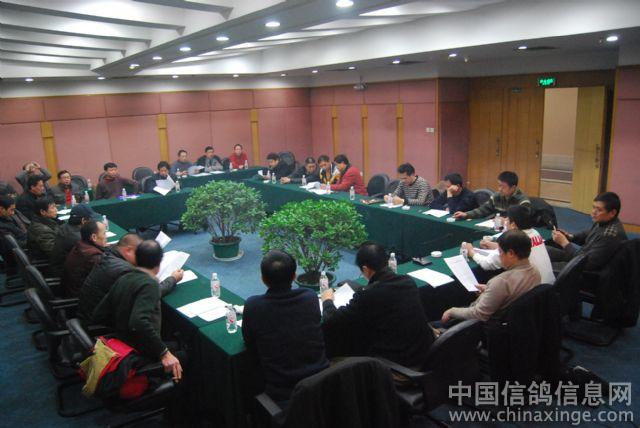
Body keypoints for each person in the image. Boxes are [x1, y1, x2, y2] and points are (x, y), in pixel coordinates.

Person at [321, 242, 435, 369]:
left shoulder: (369, 296)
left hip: (397, 365)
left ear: (365, 269)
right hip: (425, 354)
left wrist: (327, 300)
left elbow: (332, 320)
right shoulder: (408, 282)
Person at [243, 250, 329, 402]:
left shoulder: (253, 306)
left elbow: (249, 340)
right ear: (294, 276)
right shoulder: (309, 297)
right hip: (322, 382)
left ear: (262, 279)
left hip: (283, 393)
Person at [93, 240, 183, 381]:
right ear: (159, 263)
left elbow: (99, 313)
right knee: (184, 350)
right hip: (136, 353)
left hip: (118, 343)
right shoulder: (150, 284)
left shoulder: (123, 278)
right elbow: (138, 322)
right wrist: (164, 352)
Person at [78, 233, 182, 323]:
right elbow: (151, 291)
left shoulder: (109, 254)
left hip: (88, 313)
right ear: (128, 250)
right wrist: (172, 279)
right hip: (101, 323)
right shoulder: (124, 270)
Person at [442, 230, 541, 323]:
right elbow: (514, 292)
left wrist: (452, 311)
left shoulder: (501, 282)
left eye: (500, 252)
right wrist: (489, 289)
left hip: (491, 326)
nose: (499, 256)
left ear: (510, 253)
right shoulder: (535, 271)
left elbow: (478, 314)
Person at [464, 205, 555, 284]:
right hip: (547, 285)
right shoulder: (534, 232)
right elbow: (518, 247)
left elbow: (487, 264)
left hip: (531, 288)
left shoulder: (513, 240)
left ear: (513, 225)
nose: (505, 221)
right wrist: (494, 245)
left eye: (507, 219)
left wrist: (472, 252)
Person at [547, 192, 627, 272]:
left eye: (599, 210)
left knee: (545, 268)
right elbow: (587, 235)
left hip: (587, 271)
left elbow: (587, 264)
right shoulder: (603, 221)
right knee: (546, 252)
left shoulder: (609, 235)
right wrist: (569, 236)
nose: (593, 212)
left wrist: (564, 243)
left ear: (612, 213)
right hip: (582, 256)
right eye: (594, 207)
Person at [50, 204, 102, 277]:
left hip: (60, 269)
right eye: (91, 220)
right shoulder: (78, 238)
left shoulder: (64, 227)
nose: (93, 222)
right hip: (65, 274)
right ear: (83, 221)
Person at [453, 171, 531, 220]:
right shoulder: (496, 196)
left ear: (513, 187)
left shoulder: (523, 201)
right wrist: (466, 214)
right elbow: (483, 210)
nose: (499, 189)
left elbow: (524, 221)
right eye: (499, 185)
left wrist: (506, 220)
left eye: (503, 187)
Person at [62, 220, 107, 297]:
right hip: (79, 298)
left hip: (70, 290)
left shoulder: (80, 245)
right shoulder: (94, 257)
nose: (106, 236)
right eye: (104, 233)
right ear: (94, 237)